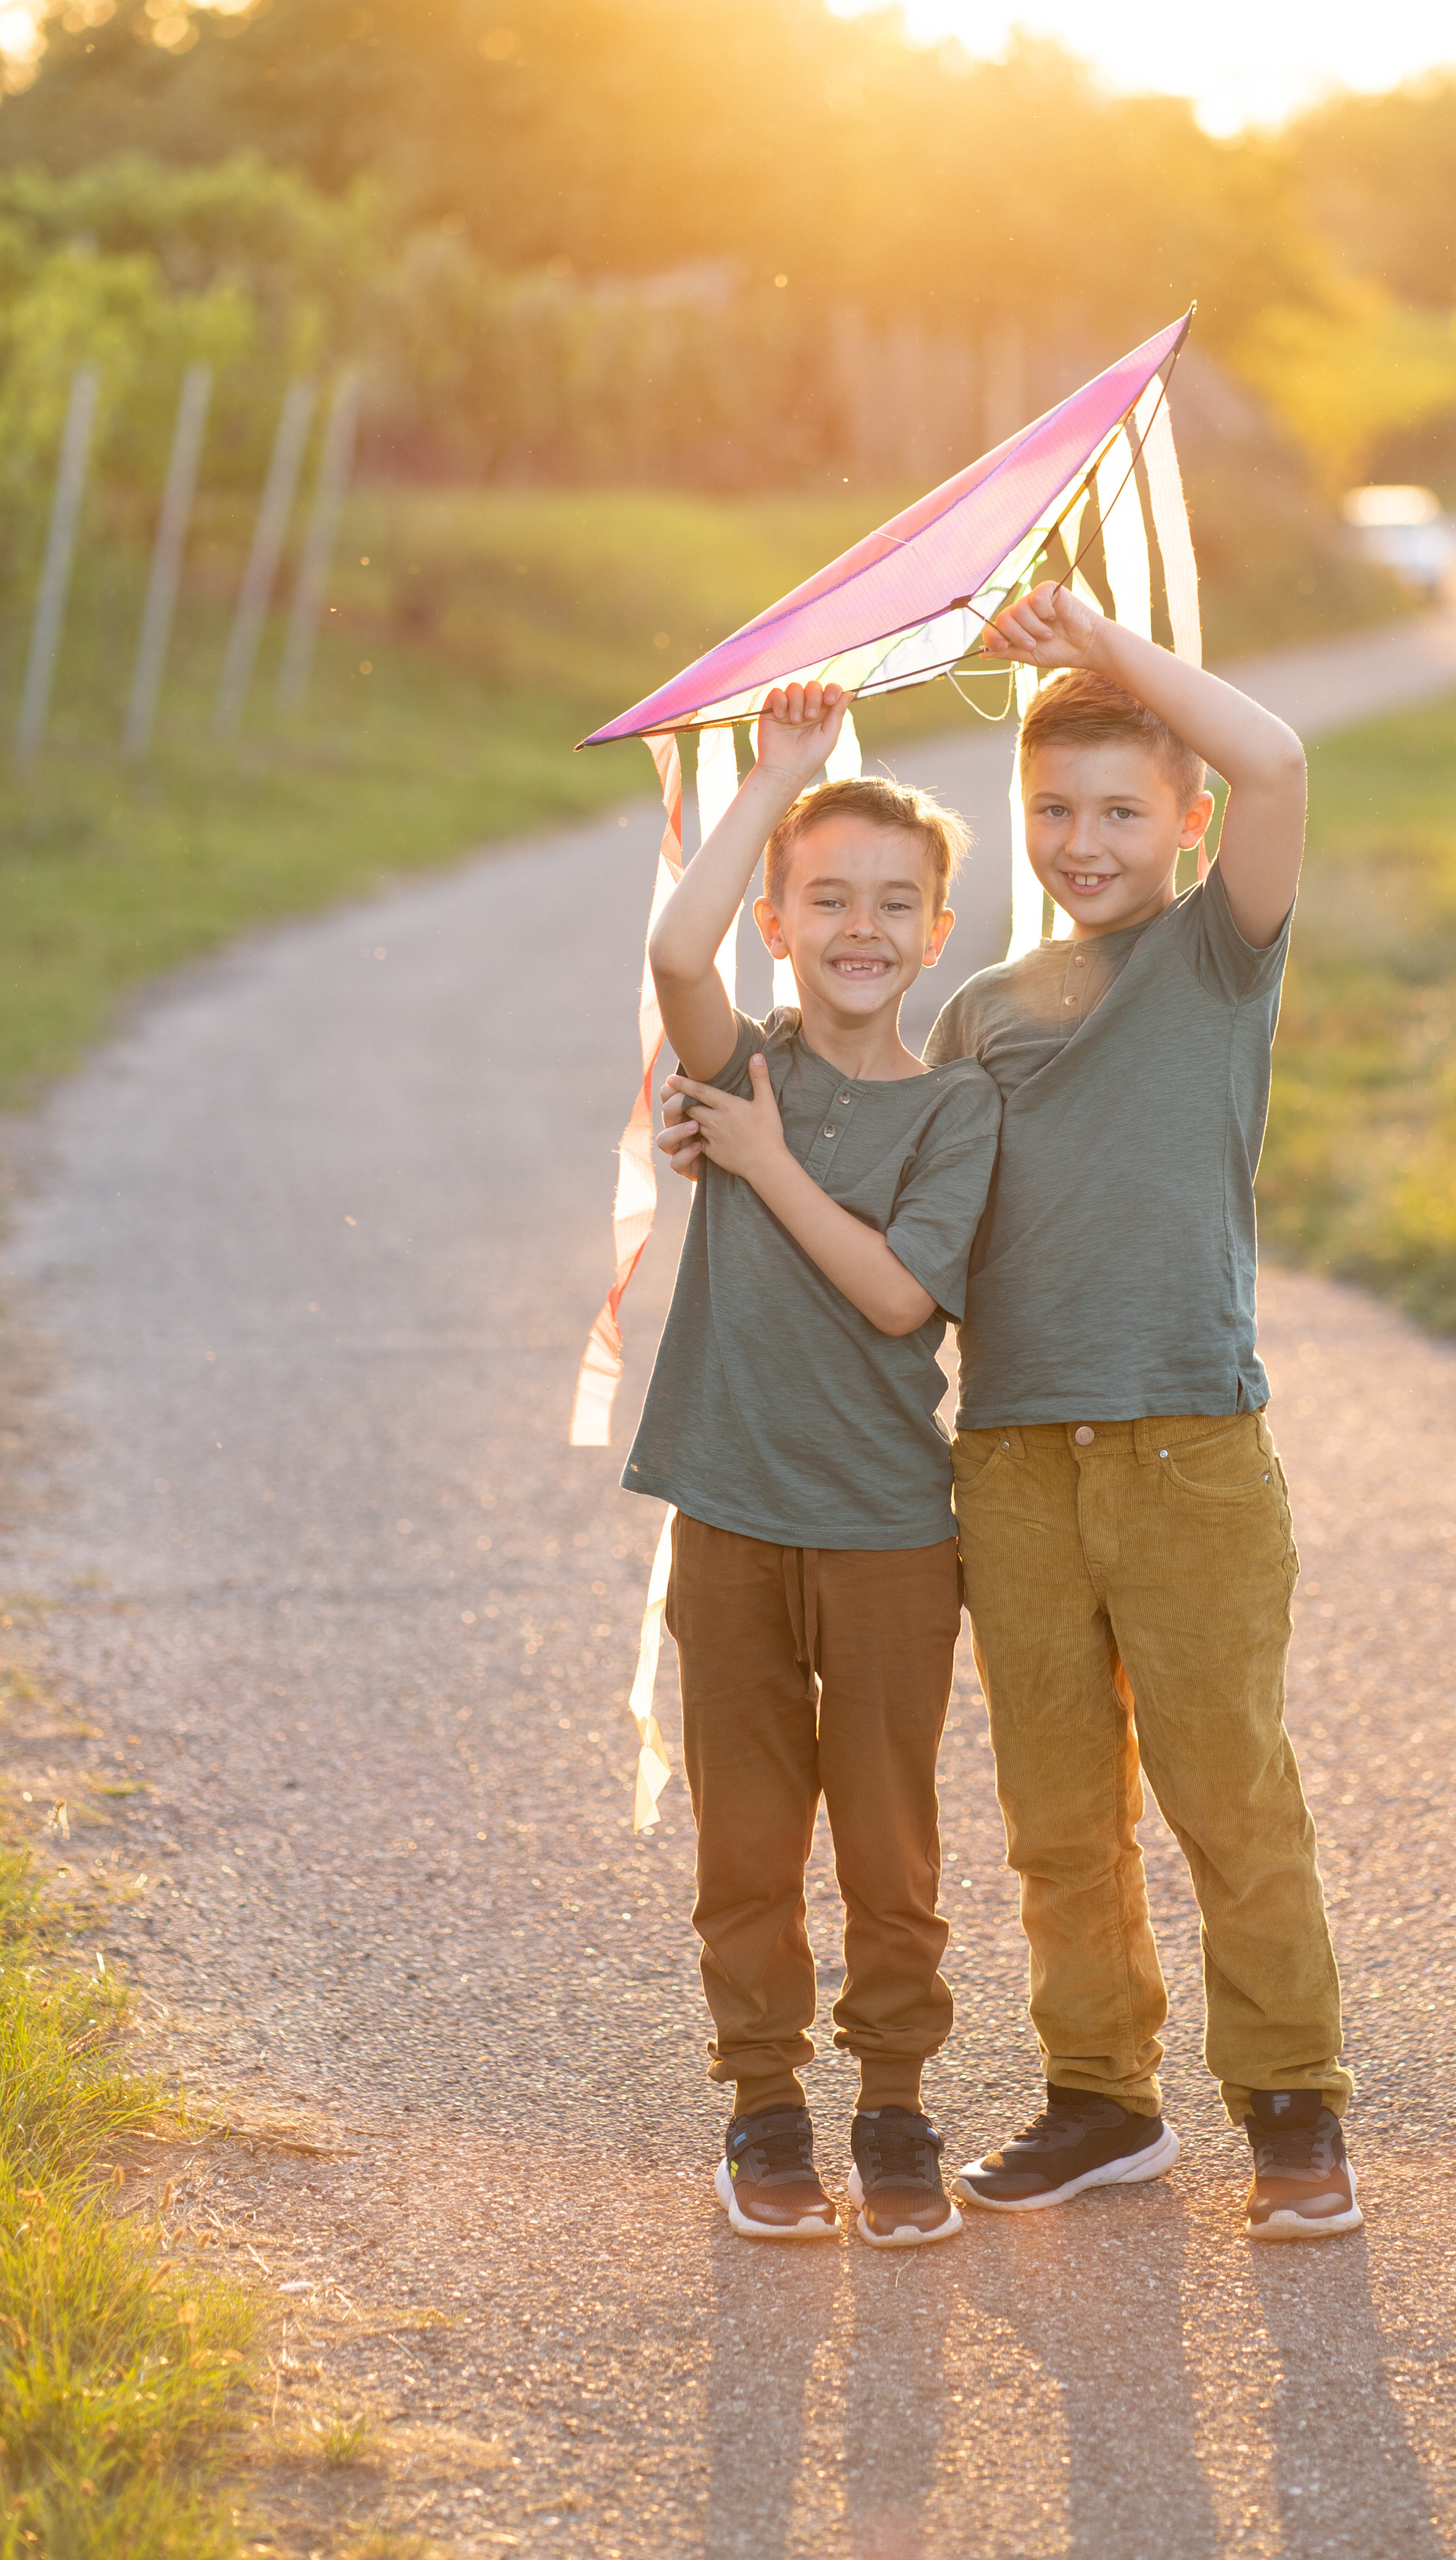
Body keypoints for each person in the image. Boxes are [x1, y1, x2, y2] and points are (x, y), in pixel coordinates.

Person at [923, 580, 1361, 2243]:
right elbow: (927, 1233)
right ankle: (1100, 2100)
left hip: (1187, 1448)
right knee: (1053, 1812)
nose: (1080, 838)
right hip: (1016, 1462)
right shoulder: (980, 1013)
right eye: (1050, 809)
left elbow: (1278, 755)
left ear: (1185, 823)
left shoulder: (1215, 955)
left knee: (1226, 1790)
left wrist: (1106, 651)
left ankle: (1290, 2108)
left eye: (1119, 808)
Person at [628, 679, 1000, 2251]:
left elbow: (902, 1295)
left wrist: (763, 1156)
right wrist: (779, 771)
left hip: (887, 1537)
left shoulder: (955, 1107)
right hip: (729, 1517)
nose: (861, 925)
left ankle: (896, 2112)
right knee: (746, 1837)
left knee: (888, 1842)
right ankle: (764, 2109)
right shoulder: (738, 1056)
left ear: (937, 930)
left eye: (894, 905)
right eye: (825, 897)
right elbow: (668, 949)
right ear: (776, 923)